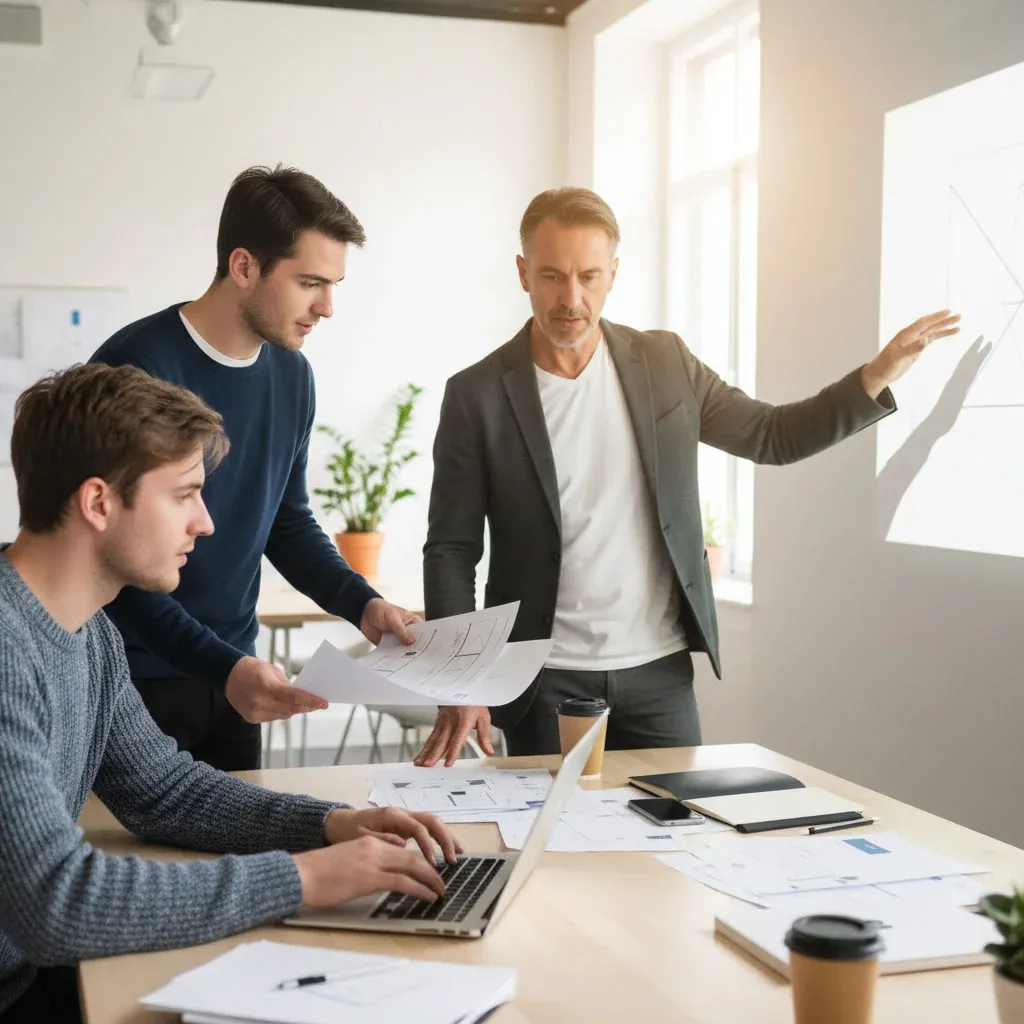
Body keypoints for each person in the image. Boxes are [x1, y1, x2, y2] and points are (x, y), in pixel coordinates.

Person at [414, 187, 960, 765]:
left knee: (674, 843)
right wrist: (460, 681)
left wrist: (876, 375)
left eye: (589, 276)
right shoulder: (476, 395)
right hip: (545, 678)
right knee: (557, 847)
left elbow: (772, 435)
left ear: (613, 275)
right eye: (551, 276)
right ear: (523, 272)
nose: (570, 298)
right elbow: (450, 549)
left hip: (660, 676)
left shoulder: (664, 362)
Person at [0, 363, 459, 1023]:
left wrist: (327, 827)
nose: (207, 523)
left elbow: (164, 789)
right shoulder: (9, 648)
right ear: (99, 502)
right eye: (184, 494)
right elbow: (59, 905)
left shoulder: (89, 632)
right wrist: (306, 880)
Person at [91, 165, 416, 771]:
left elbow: (286, 523)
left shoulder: (292, 375)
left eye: (334, 284)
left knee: (238, 854)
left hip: (237, 681)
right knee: (135, 863)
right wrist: (223, 666)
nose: (327, 306)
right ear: (244, 267)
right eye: (310, 282)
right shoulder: (133, 367)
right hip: (133, 680)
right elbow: (107, 555)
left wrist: (362, 604)